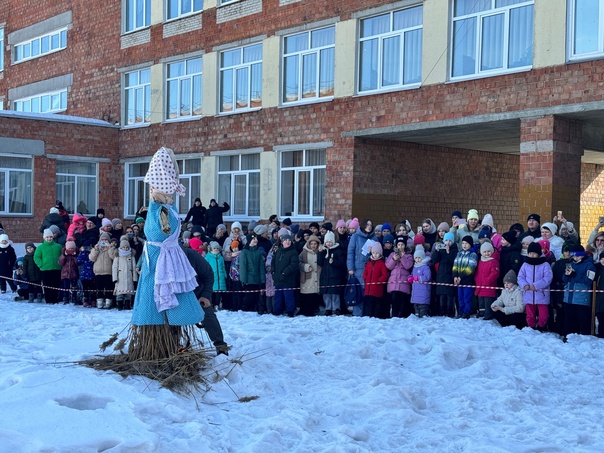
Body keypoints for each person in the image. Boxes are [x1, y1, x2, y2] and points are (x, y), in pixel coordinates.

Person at [129, 147, 204, 361]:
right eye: (168, 191)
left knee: (169, 301)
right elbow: (160, 233)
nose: (171, 195)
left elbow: (164, 233)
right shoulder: (158, 211)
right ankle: (156, 350)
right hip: (160, 262)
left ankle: (171, 341)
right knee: (155, 302)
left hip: (166, 261)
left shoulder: (164, 210)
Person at [182, 245, 229, 356]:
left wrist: (205, 295)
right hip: (174, 298)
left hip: (197, 294)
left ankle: (221, 347)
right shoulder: (160, 256)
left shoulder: (191, 255)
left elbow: (208, 274)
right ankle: (172, 346)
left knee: (208, 316)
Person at [562, 244, 596, 338]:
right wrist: (567, 275)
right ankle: (568, 337)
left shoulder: (589, 265)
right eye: (573, 256)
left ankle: (585, 339)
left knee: (583, 320)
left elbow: (589, 280)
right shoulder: (571, 263)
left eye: (578, 255)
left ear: (582, 254)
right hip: (569, 298)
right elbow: (564, 279)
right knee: (569, 320)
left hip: (582, 299)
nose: (575, 258)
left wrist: (574, 274)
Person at [518, 242, 553, 331]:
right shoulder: (525, 264)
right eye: (530, 253)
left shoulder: (545, 264)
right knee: (530, 314)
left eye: (534, 253)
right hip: (529, 294)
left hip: (542, 295)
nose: (532, 255)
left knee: (544, 315)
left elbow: (548, 278)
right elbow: (520, 277)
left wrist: (536, 285)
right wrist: (524, 285)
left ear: (539, 253)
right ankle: (531, 327)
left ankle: (542, 326)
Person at [347, 219, 376, 317]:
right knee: (358, 292)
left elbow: (378, 254)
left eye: (371, 225)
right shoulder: (355, 237)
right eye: (367, 224)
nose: (369, 227)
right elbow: (350, 252)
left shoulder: (374, 238)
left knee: (368, 293)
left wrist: (373, 252)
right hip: (358, 269)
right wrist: (350, 268)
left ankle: (367, 314)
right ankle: (357, 315)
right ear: (363, 226)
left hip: (371, 269)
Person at [318, 231, 346, 316]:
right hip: (325, 277)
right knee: (326, 294)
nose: (329, 243)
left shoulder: (338, 251)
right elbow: (320, 262)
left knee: (335, 294)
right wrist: (320, 253)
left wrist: (334, 262)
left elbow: (342, 263)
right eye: (327, 242)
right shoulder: (323, 251)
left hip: (335, 276)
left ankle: (336, 308)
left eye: (330, 242)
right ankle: (328, 308)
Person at [271, 233, 299, 317]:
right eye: (286, 240)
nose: (288, 242)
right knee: (278, 296)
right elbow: (273, 262)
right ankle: (277, 310)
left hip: (288, 279)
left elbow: (294, 265)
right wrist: (273, 272)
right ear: (282, 242)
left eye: (289, 240)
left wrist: (285, 272)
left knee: (288, 296)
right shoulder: (278, 251)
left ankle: (290, 311)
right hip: (278, 278)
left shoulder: (293, 252)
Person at [432, 232, 458, 317]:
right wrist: (436, 251)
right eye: (446, 240)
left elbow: (453, 261)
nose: (448, 243)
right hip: (441, 274)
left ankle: (450, 311)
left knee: (450, 294)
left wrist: (448, 252)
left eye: (450, 241)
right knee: (442, 294)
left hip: (450, 274)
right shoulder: (441, 249)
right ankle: (442, 310)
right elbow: (434, 259)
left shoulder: (454, 250)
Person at [34, 229, 63, 304]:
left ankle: (55, 298)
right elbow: (36, 257)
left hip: (56, 269)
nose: (49, 238)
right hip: (45, 269)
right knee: (47, 285)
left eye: (50, 237)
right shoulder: (40, 247)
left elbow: (62, 256)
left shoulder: (58, 246)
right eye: (47, 237)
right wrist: (41, 264)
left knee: (55, 284)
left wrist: (60, 263)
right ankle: (48, 299)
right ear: (44, 238)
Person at [239, 233, 266, 313]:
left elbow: (261, 268)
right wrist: (243, 280)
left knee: (255, 298)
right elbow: (243, 267)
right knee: (248, 297)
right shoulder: (245, 252)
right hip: (248, 280)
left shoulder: (258, 252)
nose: (255, 241)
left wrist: (262, 281)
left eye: (256, 239)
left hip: (257, 280)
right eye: (253, 239)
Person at [89, 232, 117, 308]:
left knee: (108, 288)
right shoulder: (96, 248)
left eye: (106, 240)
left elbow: (113, 257)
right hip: (98, 272)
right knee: (99, 288)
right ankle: (100, 301)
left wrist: (110, 248)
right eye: (102, 240)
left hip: (108, 271)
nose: (104, 241)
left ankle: (108, 301)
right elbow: (92, 258)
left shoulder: (112, 248)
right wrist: (95, 249)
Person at [453, 236, 478, 319]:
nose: (464, 245)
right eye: (463, 243)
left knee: (466, 298)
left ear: (470, 244)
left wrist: (461, 277)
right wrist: (455, 276)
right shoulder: (459, 253)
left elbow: (470, 268)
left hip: (467, 280)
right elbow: (455, 265)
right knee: (460, 298)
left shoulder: (473, 254)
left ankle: (466, 312)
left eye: (466, 243)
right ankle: (461, 312)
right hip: (459, 280)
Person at [362, 241, 389, 318]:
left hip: (377, 289)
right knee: (369, 303)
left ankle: (377, 316)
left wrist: (379, 281)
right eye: (374, 253)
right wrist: (365, 278)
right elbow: (365, 272)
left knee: (377, 304)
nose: (375, 255)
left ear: (380, 254)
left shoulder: (381, 264)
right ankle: (369, 314)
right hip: (368, 289)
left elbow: (384, 275)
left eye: (377, 253)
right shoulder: (369, 263)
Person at [474, 241, 500, 320]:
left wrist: (487, 281)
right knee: (481, 300)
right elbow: (478, 272)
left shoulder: (494, 261)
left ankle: (488, 314)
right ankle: (482, 312)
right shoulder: (481, 261)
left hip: (489, 286)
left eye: (488, 251)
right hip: (480, 285)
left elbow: (494, 274)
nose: (486, 253)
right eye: (484, 252)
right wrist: (477, 280)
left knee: (487, 300)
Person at [298, 234, 322, 316]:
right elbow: (299, 263)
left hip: (318, 277)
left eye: (315, 244)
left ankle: (315, 309)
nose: (313, 246)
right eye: (311, 244)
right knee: (308, 296)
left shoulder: (321, 252)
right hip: (307, 278)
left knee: (315, 295)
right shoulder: (304, 252)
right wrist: (306, 267)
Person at [112, 239, 138, 310]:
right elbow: (114, 267)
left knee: (128, 293)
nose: (125, 248)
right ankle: (119, 305)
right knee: (119, 292)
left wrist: (135, 278)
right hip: (120, 277)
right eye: (124, 247)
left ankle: (127, 304)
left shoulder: (131, 256)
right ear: (121, 247)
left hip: (129, 277)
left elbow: (134, 267)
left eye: (127, 247)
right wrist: (115, 278)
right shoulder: (117, 256)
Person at [408, 245, 432, 318]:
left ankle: (424, 316)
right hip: (416, 291)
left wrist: (417, 278)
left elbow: (427, 277)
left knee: (422, 306)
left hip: (423, 291)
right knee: (416, 305)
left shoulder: (425, 267)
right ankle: (416, 314)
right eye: (416, 258)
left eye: (419, 258)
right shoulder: (415, 267)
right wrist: (410, 277)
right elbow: (412, 274)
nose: (417, 259)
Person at [205, 241, 227, 310]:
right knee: (212, 292)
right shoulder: (208, 257)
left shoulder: (221, 258)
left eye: (217, 248)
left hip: (220, 277)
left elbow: (223, 267)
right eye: (214, 248)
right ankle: (212, 304)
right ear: (211, 249)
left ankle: (217, 304)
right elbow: (206, 268)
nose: (216, 249)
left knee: (219, 292)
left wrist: (224, 275)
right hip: (212, 277)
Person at [58, 240, 80, 304]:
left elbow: (77, 263)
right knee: (65, 287)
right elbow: (60, 262)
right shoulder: (63, 254)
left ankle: (74, 297)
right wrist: (64, 255)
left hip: (74, 273)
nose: (70, 250)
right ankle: (66, 298)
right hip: (65, 274)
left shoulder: (77, 254)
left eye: (72, 249)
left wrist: (74, 256)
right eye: (69, 249)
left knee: (74, 287)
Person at [77, 239, 97, 307]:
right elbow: (78, 261)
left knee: (93, 289)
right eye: (86, 247)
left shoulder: (93, 254)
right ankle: (85, 300)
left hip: (92, 274)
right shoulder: (83, 254)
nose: (88, 249)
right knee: (85, 289)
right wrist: (82, 252)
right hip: (84, 275)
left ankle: (93, 300)